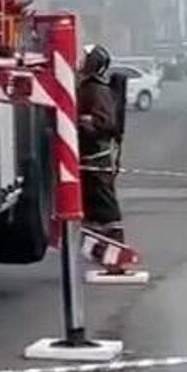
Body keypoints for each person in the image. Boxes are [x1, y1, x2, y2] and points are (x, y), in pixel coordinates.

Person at [77, 44, 125, 249]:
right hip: (90, 155)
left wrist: (86, 121)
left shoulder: (97, 89)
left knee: (104, 201)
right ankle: (97, 245)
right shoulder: (88, 86)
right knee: (92, 203)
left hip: (97, 155)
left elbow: (107, 122)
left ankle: (115, 245)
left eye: (87, 59)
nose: (82, 63)